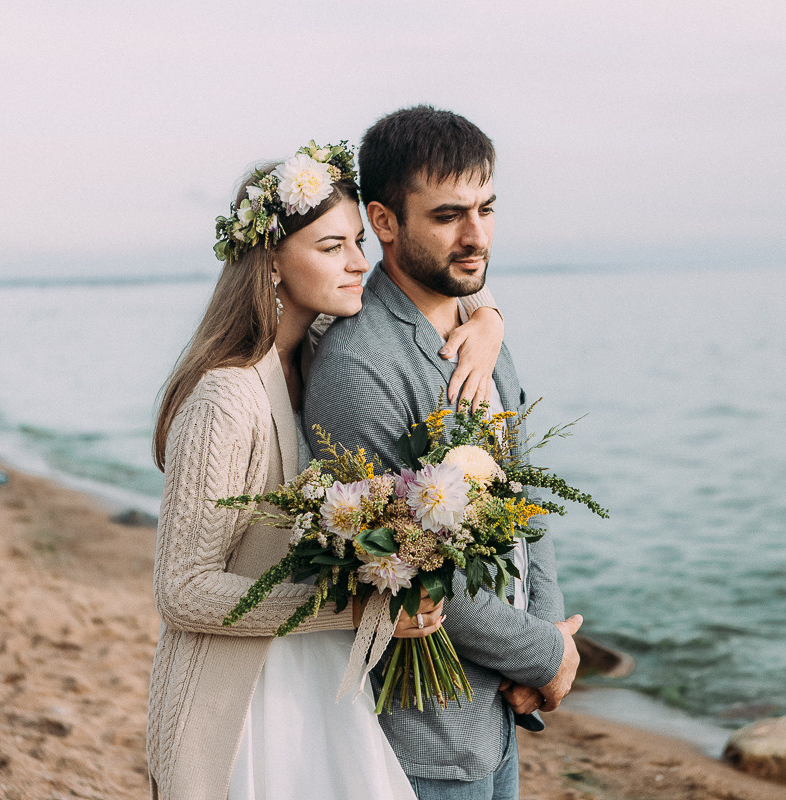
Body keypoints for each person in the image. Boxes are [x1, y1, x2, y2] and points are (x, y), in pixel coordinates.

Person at [145, 141, 508, 800]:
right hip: (242, 706)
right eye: (330, 247)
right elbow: (182, 591)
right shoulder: (226, 396)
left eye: (358, 243)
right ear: (273, 262)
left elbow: (436, 305)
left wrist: (487, 321)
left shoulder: (316, 356)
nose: (359, 264)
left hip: (317, 691)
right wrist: (352, 607)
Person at [303, 107, 583, 800]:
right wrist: (550, 654)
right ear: (385, 221)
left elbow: (525, 503)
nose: (477, 235)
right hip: (419, 737)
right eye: (450, 215)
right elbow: (407, 570)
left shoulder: (481, 328)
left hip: (496, 714)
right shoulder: (358, 367)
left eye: (487, 209)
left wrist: (545, 632)